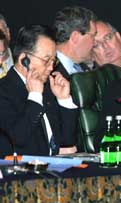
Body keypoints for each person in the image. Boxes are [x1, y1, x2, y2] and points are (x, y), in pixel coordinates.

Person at [0, 25, 78, 157]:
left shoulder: (48, 89)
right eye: (46, 60)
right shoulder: (4, 91)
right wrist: (35, 97)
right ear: (24, 59)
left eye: (54, 61)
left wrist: (64, 100)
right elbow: (17, 141)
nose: (51, 68)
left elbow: (68, 142)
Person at [53, 6, 97, 80]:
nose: (95, 43)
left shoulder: (86, 71)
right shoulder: (47, 73)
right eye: (93, 36)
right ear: (75, 37)